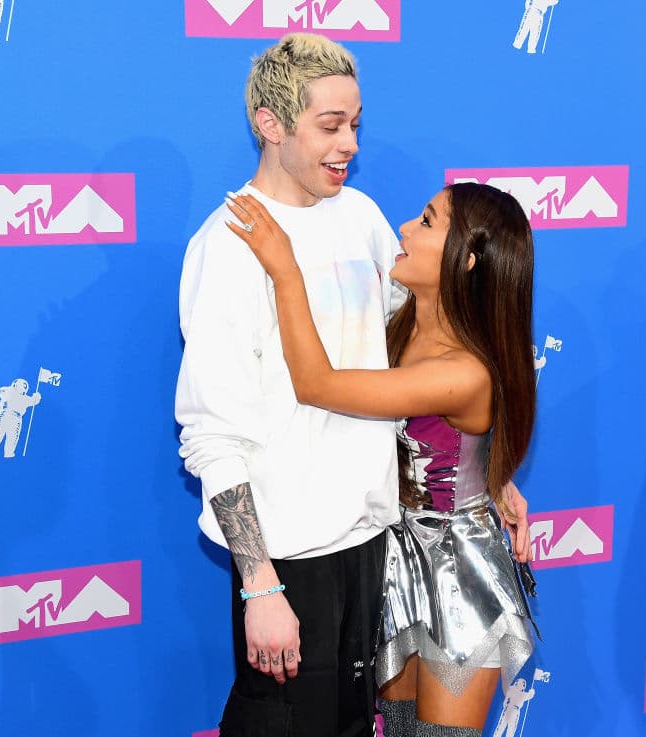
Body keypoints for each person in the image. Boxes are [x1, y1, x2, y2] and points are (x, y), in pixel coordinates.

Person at [175, 34, 531, 737]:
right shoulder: (227, 244)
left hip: (377, 546)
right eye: (329, 126)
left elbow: (419, 358)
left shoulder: (362, 216)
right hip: (290, 561)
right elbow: (211, 432)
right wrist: (261, 581)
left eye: (356, 124)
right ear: (269, 124)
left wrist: (489, 472)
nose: (348, 145)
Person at [225, 179, 538, 737]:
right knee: (393, 729)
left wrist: (286, 272)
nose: (404, 229)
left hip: (457, 572)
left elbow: (317, 383)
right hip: (391, 557)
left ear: (465, 260)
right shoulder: (401, 321)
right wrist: (498, 476)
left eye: (426, 222)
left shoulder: (462, 372)